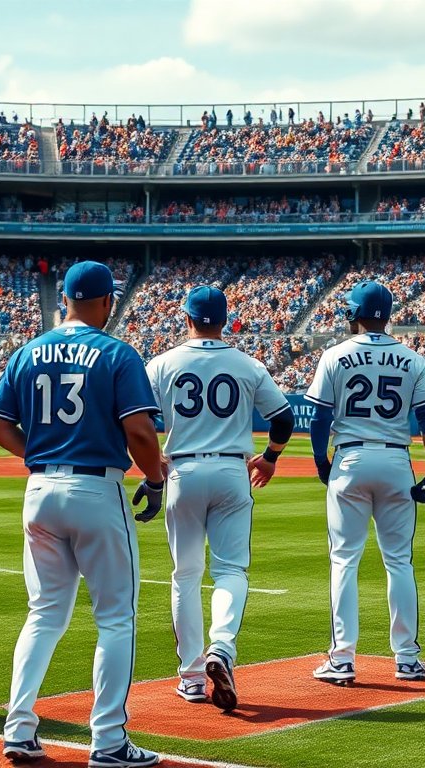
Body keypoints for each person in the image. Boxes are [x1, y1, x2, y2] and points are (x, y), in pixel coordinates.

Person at [0, 261, 164, 767]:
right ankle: (108, 741)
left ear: (64, 298)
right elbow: (140, 433)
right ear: (107, 301)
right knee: (115, 617)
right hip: (96, 489)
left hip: (40, 488)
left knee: (43, 615)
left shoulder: (27, 352)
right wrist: (153, 480)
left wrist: (42, 457)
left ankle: (18, 729)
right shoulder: (115, 353)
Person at [145, 285, 294, 712]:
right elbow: (282, 418)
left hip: (183, 471)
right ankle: (222, 650)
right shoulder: (247, 364)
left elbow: (135, 420)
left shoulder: (163, 363)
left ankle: (191, 678)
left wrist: (155, 468)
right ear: (225, 320)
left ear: (186, 319)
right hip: (232, 470)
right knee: (231, 570)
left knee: (185, 575)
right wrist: (269, 457)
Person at [306, 281, 425, 685]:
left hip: (350, 457)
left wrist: (321, 460)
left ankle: (342, 659)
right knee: (399, 561)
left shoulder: (335, 355)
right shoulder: (413, 359)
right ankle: (406, 658)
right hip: (395, 459)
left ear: (354, 314)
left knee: (344, 561)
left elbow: (319, 419)